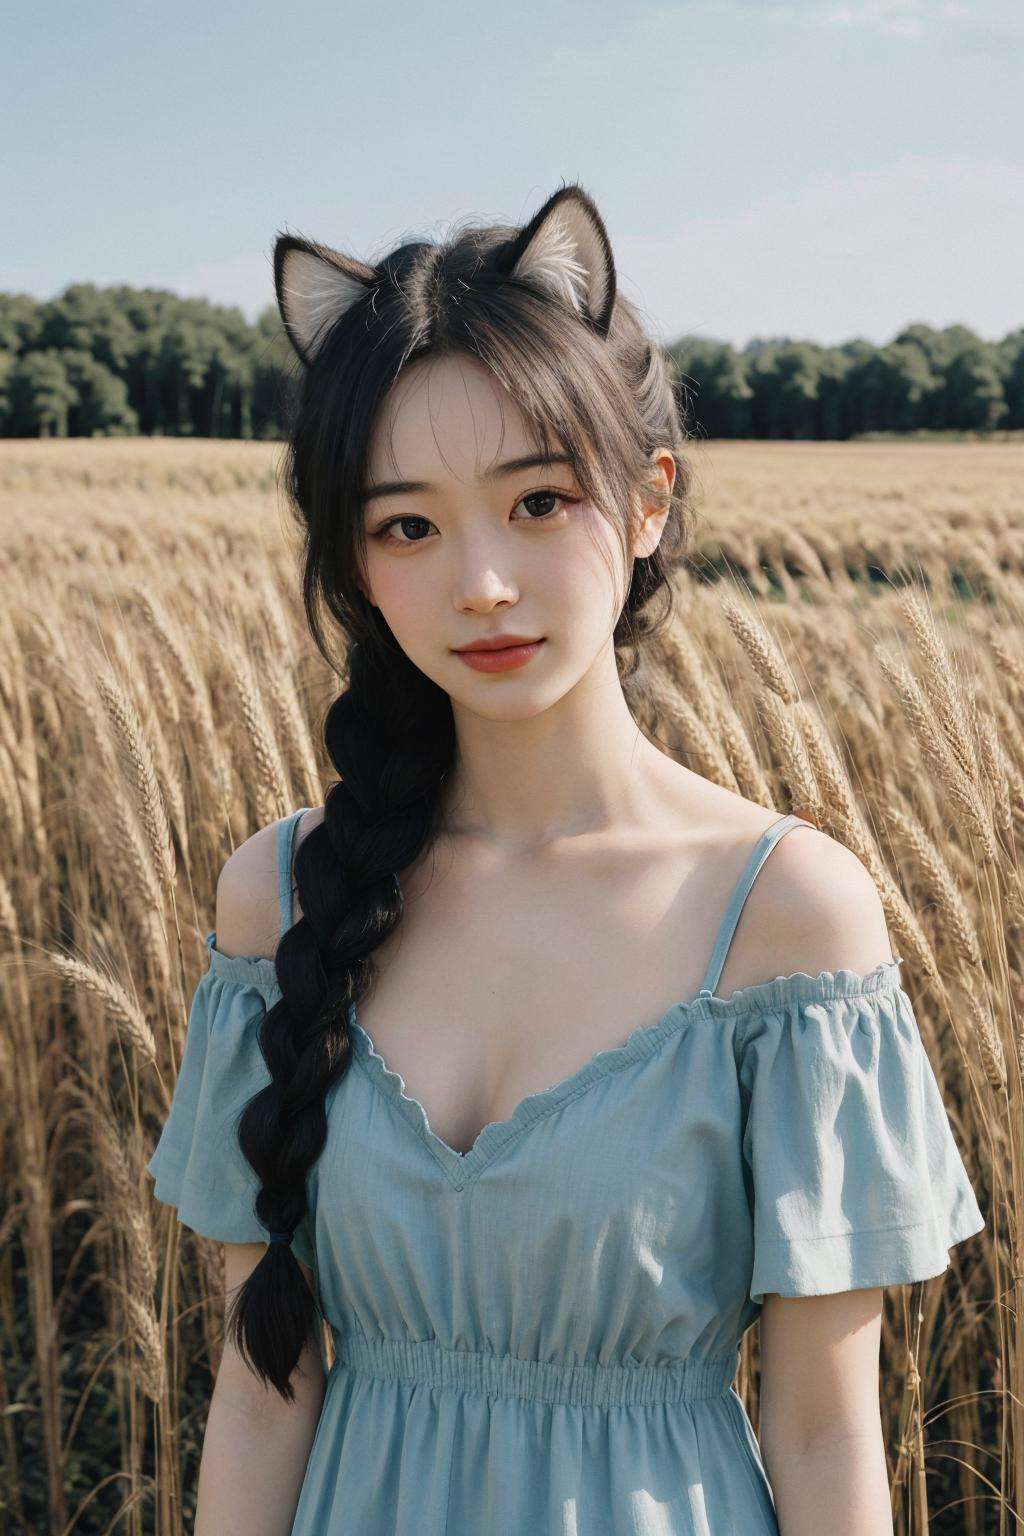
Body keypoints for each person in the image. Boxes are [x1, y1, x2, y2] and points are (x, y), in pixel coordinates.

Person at [146, 182, 985, 1536]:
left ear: (648, 502)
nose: (480, 580)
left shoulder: (786, 915)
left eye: (537, 501)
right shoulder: (284, 896)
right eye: (407, 524)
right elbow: (259, 1395)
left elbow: (829, 1434)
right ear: (357, 565)